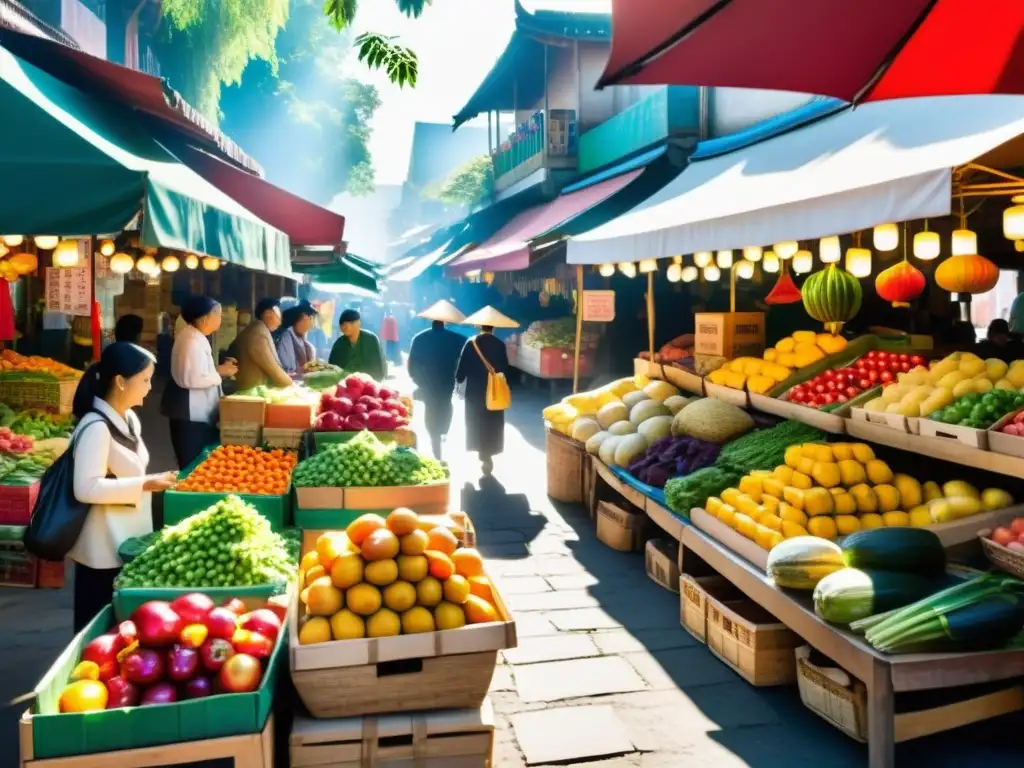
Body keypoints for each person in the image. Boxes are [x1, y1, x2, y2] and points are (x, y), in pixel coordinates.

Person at [69, 342, 178, 631]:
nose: (150, 386)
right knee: (97, 629)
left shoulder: (128, 418)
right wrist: (145, 484)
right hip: (101, 547)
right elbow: (86, 488)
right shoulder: (95, 427)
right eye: (145, 379)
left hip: (125, 539)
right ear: (120, 381)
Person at [162, 296, 238, 468]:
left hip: (195, 411)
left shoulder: (195, 336)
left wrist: (218, 371)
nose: (220, 319)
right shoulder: (191, 341)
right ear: (204, 318)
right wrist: (220, 374)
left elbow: (197, 371)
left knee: (198, 460)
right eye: (217, 315)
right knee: (192, 462)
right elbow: (190, 379)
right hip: (190, 413)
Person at [456, 306, 518, 476]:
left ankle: (480, 451)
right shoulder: (499, 344)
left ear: (479, 326)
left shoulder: (471, 343)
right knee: (493, 422)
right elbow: (505, 368)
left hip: (475, 390)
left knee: (475, 421)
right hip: (495, 391)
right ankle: (489, 452)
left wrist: (459, 380)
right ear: (494, 327)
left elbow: (462, 368)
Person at [408, 300, 467, 459]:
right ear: (446, 322)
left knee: (430, 406)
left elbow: (412, 363)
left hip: (426, 380)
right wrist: (460, 377)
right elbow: (464, 358)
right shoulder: (458, 339)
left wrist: (417, 379)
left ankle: (433, 433)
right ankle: (442, 429)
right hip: (447, 379)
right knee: (445, 404)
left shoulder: (419, 338)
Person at [232, 298, 293, 391]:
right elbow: (273, 370)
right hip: (252, 394)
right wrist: (291, 384)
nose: (279, 322)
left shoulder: (258, 329)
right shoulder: (258, 333)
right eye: (278, 316)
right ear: (268, 314)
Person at [329, 308, 387, 381]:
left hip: (369, 382)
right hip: (345, 383)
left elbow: (378, 368)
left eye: (351, 323)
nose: (346, 326)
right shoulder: (339, 343)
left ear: (359, 323)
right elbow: (332, 369)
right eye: (343, 324)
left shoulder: (371, 339)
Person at [276, 301, 318, 373]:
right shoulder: (286, 339)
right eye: (310, 318)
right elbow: (289, 371)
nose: (312, 324)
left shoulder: (306, 344)